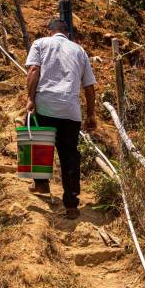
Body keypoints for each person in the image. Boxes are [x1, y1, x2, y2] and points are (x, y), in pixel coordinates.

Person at [25, 18, 97, 219]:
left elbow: (33, 71)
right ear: (67, 33)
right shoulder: (79, 51)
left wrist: (30, 99)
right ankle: (72, 204)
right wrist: (91, 114)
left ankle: (40, 182)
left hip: (46, 104)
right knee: (69, 155)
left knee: (34, 136)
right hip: (70, 111)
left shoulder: (40, 43)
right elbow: (89, 87)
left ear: (50, 31)